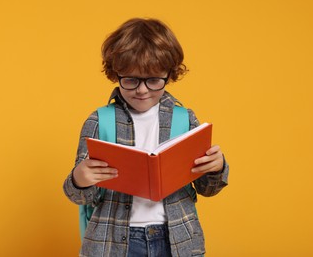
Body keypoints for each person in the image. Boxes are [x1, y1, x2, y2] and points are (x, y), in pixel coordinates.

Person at [63, 18, 229, 257]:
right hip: (113, 242)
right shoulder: (99, 121)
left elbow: (207, 189)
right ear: (115, 74)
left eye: (153, 80)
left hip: (176, 240)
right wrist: (79, 179)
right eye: (130, 80)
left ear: (169, 74)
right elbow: (80, 196)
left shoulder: (185, 120)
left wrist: (217, 167)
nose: (142, 90)